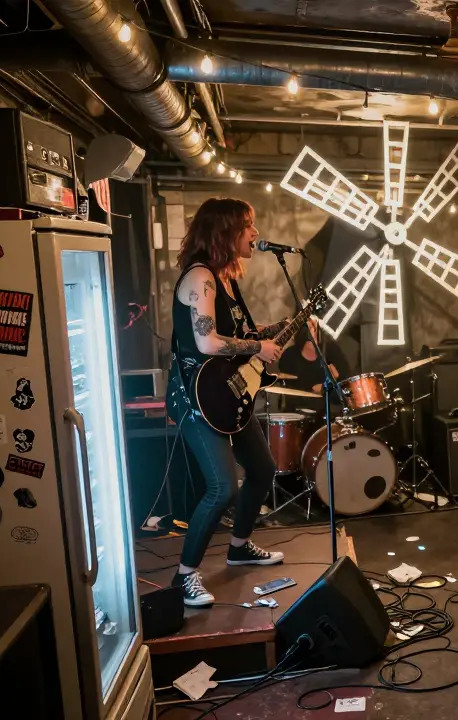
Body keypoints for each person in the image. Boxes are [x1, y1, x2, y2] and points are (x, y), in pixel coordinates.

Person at [166, 198, 292, 607]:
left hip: (224, 391)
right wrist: (259, 345)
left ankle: (238, 547)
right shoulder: (200, 278)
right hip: (194, 397)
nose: (255, 234)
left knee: (262, 468)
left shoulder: (226, 280)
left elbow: (243, 336)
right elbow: (207, 342)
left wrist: (289, 326)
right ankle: (184, 577)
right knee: (221, 487)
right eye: (248, 226)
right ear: (226, 230)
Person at [276, 318, 350, 413]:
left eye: (314, 328)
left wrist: (327, 385)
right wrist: (313, 389)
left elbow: (344, 382)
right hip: (297, 411)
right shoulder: (290, 355)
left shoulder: (330, 351)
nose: (311, 332)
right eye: (308, 328)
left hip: (327, 412)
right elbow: (290, 387)